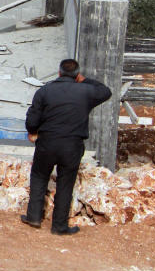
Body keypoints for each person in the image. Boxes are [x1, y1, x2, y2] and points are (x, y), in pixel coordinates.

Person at [21, 59, 112, 235]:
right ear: (77, 75)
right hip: (72, 144)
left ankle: (33, 216)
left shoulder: (45, 90)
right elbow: (106, 91)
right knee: (65, 183)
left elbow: (32, 119)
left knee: (39, 176)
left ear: (59, 72)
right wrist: (84, 80)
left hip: (47, 141)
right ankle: (59, 226)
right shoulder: (86, 92)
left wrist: (32, 131)